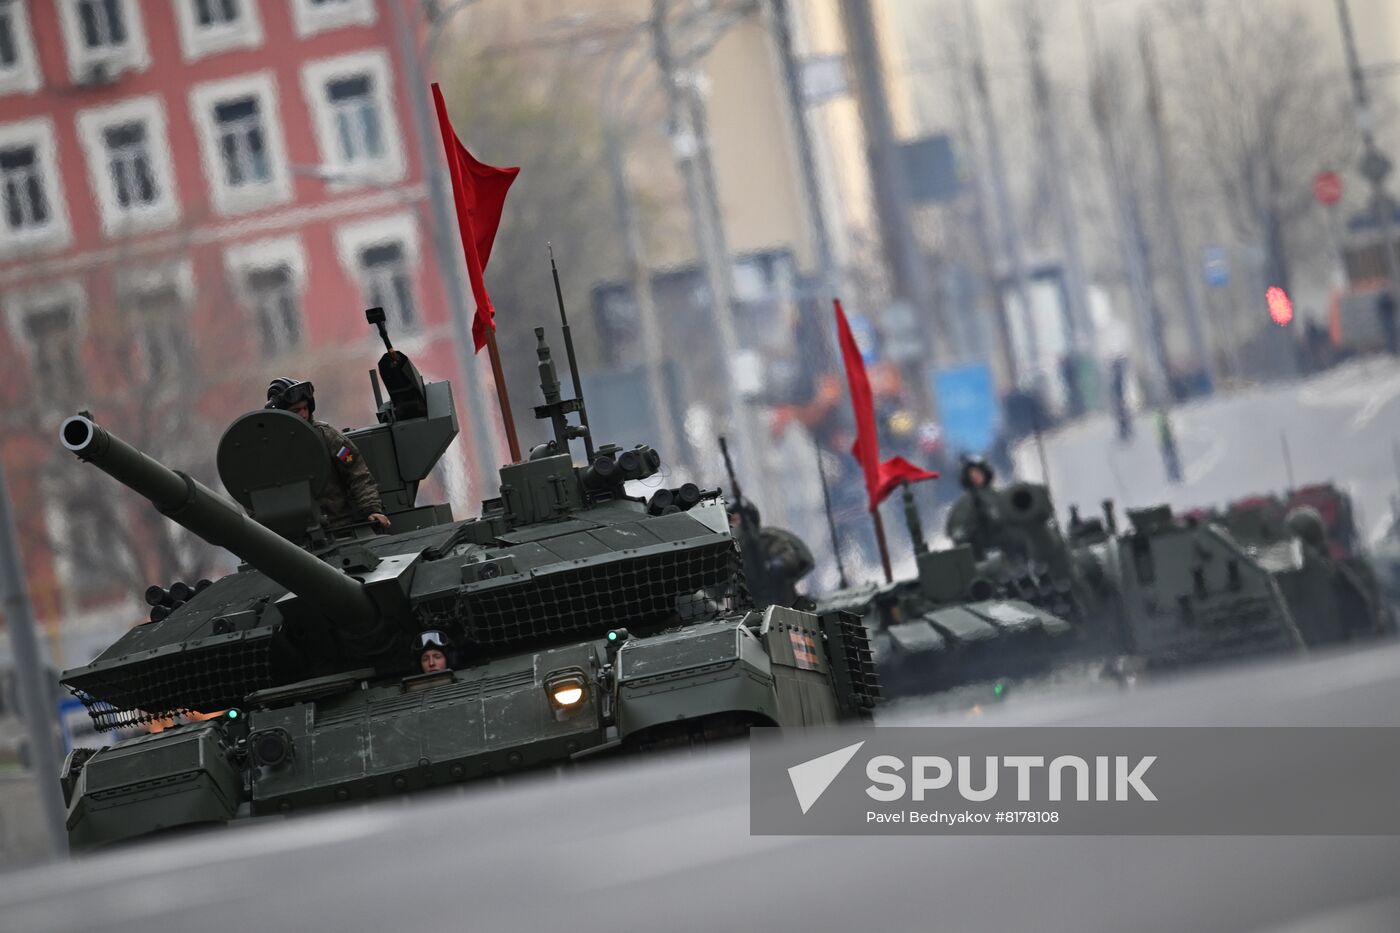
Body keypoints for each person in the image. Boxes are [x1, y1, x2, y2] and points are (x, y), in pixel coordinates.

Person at [265, 377, 390, 529]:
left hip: (339, 526)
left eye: (305, 408)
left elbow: (357, 472)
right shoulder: (268, 448)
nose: (303, 414)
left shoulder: (326, 437)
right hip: (293, 535)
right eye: (296, 410)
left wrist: (371, 508)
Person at [945, 455, 1002, 560]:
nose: (975, 476)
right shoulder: (962, 506)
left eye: (978, 471)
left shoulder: (999, 497)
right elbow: (958, 535)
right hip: (978, 559)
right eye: (972, 473)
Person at [1155, 408, 1182, 484]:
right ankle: (1175, 475)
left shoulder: (1157, 419)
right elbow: (1166, 430)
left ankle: (1173, 475)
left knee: (1168, 459)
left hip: (1163, 442)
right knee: (1172, 458)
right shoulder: (1162, 419)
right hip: (1166, 441)